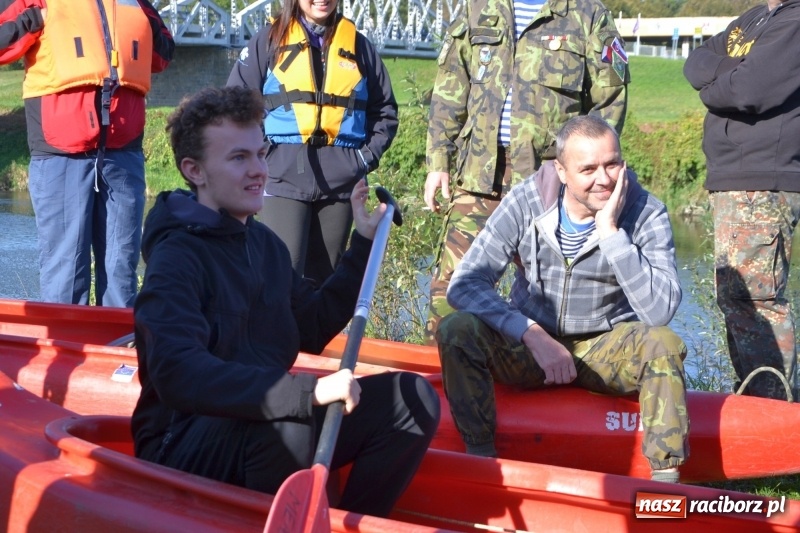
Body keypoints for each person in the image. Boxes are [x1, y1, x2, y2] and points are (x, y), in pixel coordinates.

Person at [131, 86, 439, 517]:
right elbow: (177, 373)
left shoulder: (262, 244)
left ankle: (347, 523)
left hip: (260, 423)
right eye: (239, 158)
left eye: (261, 153)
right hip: (182, 441)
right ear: (194, 170)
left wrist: (363, 244)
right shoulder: (175, 258)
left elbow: (310, 327)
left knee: (412, 397)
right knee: (288, 423)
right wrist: (304, 393)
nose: (259, 170)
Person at [436, 115, 688, 482]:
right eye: (588, 169)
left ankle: (665, 483)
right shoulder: (526, 200)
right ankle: (480, 458)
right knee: (457, 329)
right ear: (562, 171)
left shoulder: (646, 212)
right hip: (530, 344)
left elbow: (659, 310)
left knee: (663, 345)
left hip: (604, 347)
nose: (604, 179)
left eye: (612, 164)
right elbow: (466, 283)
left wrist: (612, 234)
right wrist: (530, 332)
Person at [423, 0, 629, 343]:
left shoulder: (588, 15)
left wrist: (591, 173)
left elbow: (610, 100)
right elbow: (449, 90)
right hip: (479, 179)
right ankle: (440, 384)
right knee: (453, 289)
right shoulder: (477, 8)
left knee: (550, 294)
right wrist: (438, 162)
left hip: (549, 184)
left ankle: (548, 381)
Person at [0, 0, 174, 307]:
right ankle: (70, 352)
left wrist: (145, 20)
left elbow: (162, 55)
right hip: (60, 154)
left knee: (121, 272)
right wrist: (33, 20)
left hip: (123, 154)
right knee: (65, 275)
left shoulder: (133, 3)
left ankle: (117, 352)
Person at [227, 0, 398, 285]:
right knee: (279, 279)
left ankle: (317, 332)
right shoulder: (268, 41)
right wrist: (263, 156)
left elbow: (385, 113)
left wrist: (363, 159)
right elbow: (235, 104)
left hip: (341, 182)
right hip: (281, 177)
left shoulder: (360, 47)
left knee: (325, 283)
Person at [683, 0, 800, 402]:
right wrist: (734, 70)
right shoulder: (753, 18)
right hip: (733, 177)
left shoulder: (794, 20)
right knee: (734, 297)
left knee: (759, 300)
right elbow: (693, 63)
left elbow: (751, 90)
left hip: (762, 179)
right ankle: (754, 404)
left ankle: (779, 413)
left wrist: (732, 75)